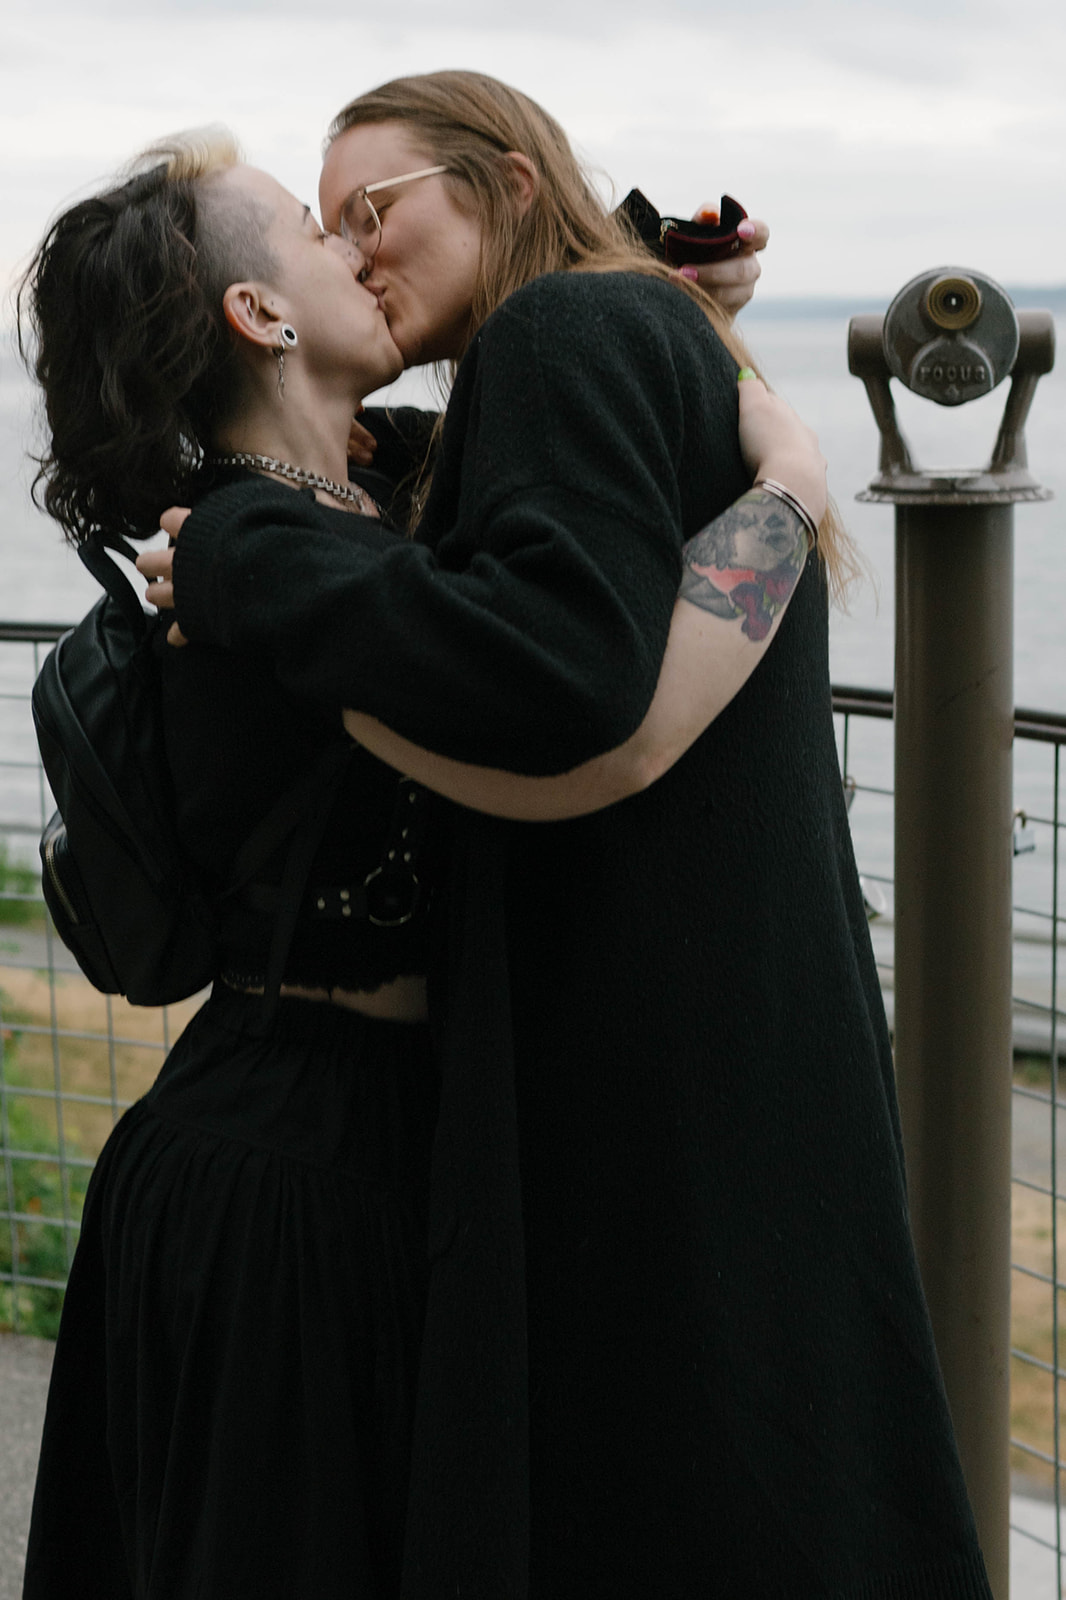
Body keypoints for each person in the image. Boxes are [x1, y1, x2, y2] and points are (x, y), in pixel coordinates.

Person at [138, 72, 993, 1600]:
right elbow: (448, 524)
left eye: (374, 211)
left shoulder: (566, 330)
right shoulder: (613, 328)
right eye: (328, 230)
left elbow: (569, 681)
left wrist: (252, 577)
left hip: (646, 1070)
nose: (356, 250)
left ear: (510, 186)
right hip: (741, 1051)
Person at [18, 132, 822, 1600]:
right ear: (259, 317)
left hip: (339, 1149)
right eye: (317, 239)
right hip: (290, 1186)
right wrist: (790, 489)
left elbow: (520, 453)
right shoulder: (265, 545)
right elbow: (601, 701)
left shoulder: (360, 509)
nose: (358, 256)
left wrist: (656, 275)